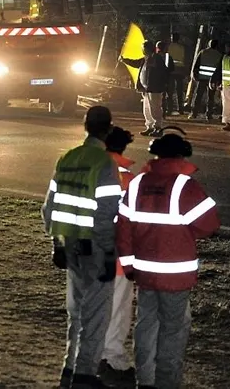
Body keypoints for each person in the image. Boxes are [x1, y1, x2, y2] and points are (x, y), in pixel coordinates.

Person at [117, 128, 220, 389]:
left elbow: (123, 230)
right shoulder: (185, 186)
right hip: (176, 275)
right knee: (173, 330)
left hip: (144, 273)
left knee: (146, 326)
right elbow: (209, 225)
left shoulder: (137, 184)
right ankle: (166, 382)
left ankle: (145, 381)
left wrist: (128, 265)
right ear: (181, 157)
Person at [41, 106, 122, 389]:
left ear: (85, 126)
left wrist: (56, 243)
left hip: (70, 246)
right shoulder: (105, 163)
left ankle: (69, 369)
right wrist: (109, 251)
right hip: (96, 247)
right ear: (108, 130)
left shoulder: (67, 158)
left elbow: (49, 208)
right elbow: (107, 212)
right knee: (96, 314)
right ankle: (85, 375)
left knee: (75, 313)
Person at [98, 127, 137, 386]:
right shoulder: (128, 180)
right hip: (118, 257)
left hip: (87, 255)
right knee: (118, 309)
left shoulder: (87, 172)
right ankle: (112, 361)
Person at [120, 40, 174, 137]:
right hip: (146, 89)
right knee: (147, 109)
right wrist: (124, 60)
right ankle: (150, 127)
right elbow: (136, 63)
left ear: (147, 48)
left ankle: (157, 127)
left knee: (155, 108)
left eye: (143, 48)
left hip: (154, 88)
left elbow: (163, 72)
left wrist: (162, 85)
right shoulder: (147, 58)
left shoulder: (156, 58)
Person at [187, 39, 221, 121]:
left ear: (209, 44)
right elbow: (219, 69)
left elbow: (196, 64)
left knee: (198, 96)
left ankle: (194, 113)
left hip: (202, 78)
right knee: (211, 97)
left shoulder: (203, 52)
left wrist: (195, 75)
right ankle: (209, 115)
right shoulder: (219, 55)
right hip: (212, 80)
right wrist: (218, 80)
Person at [209, 42, 230, 131]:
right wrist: (213, 80)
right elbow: (218, 70)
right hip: (226, 85)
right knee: (226, 105)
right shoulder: (225, 58)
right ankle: (228, 123)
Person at [165, 33, 187, 115]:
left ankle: (169, 109)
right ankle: (180, 109)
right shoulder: (182, 47)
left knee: (170, 91)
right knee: (179, 91)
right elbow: (184, 58)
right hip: (180, 70)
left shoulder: (168, 47)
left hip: (170, 70)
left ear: (172, 38)